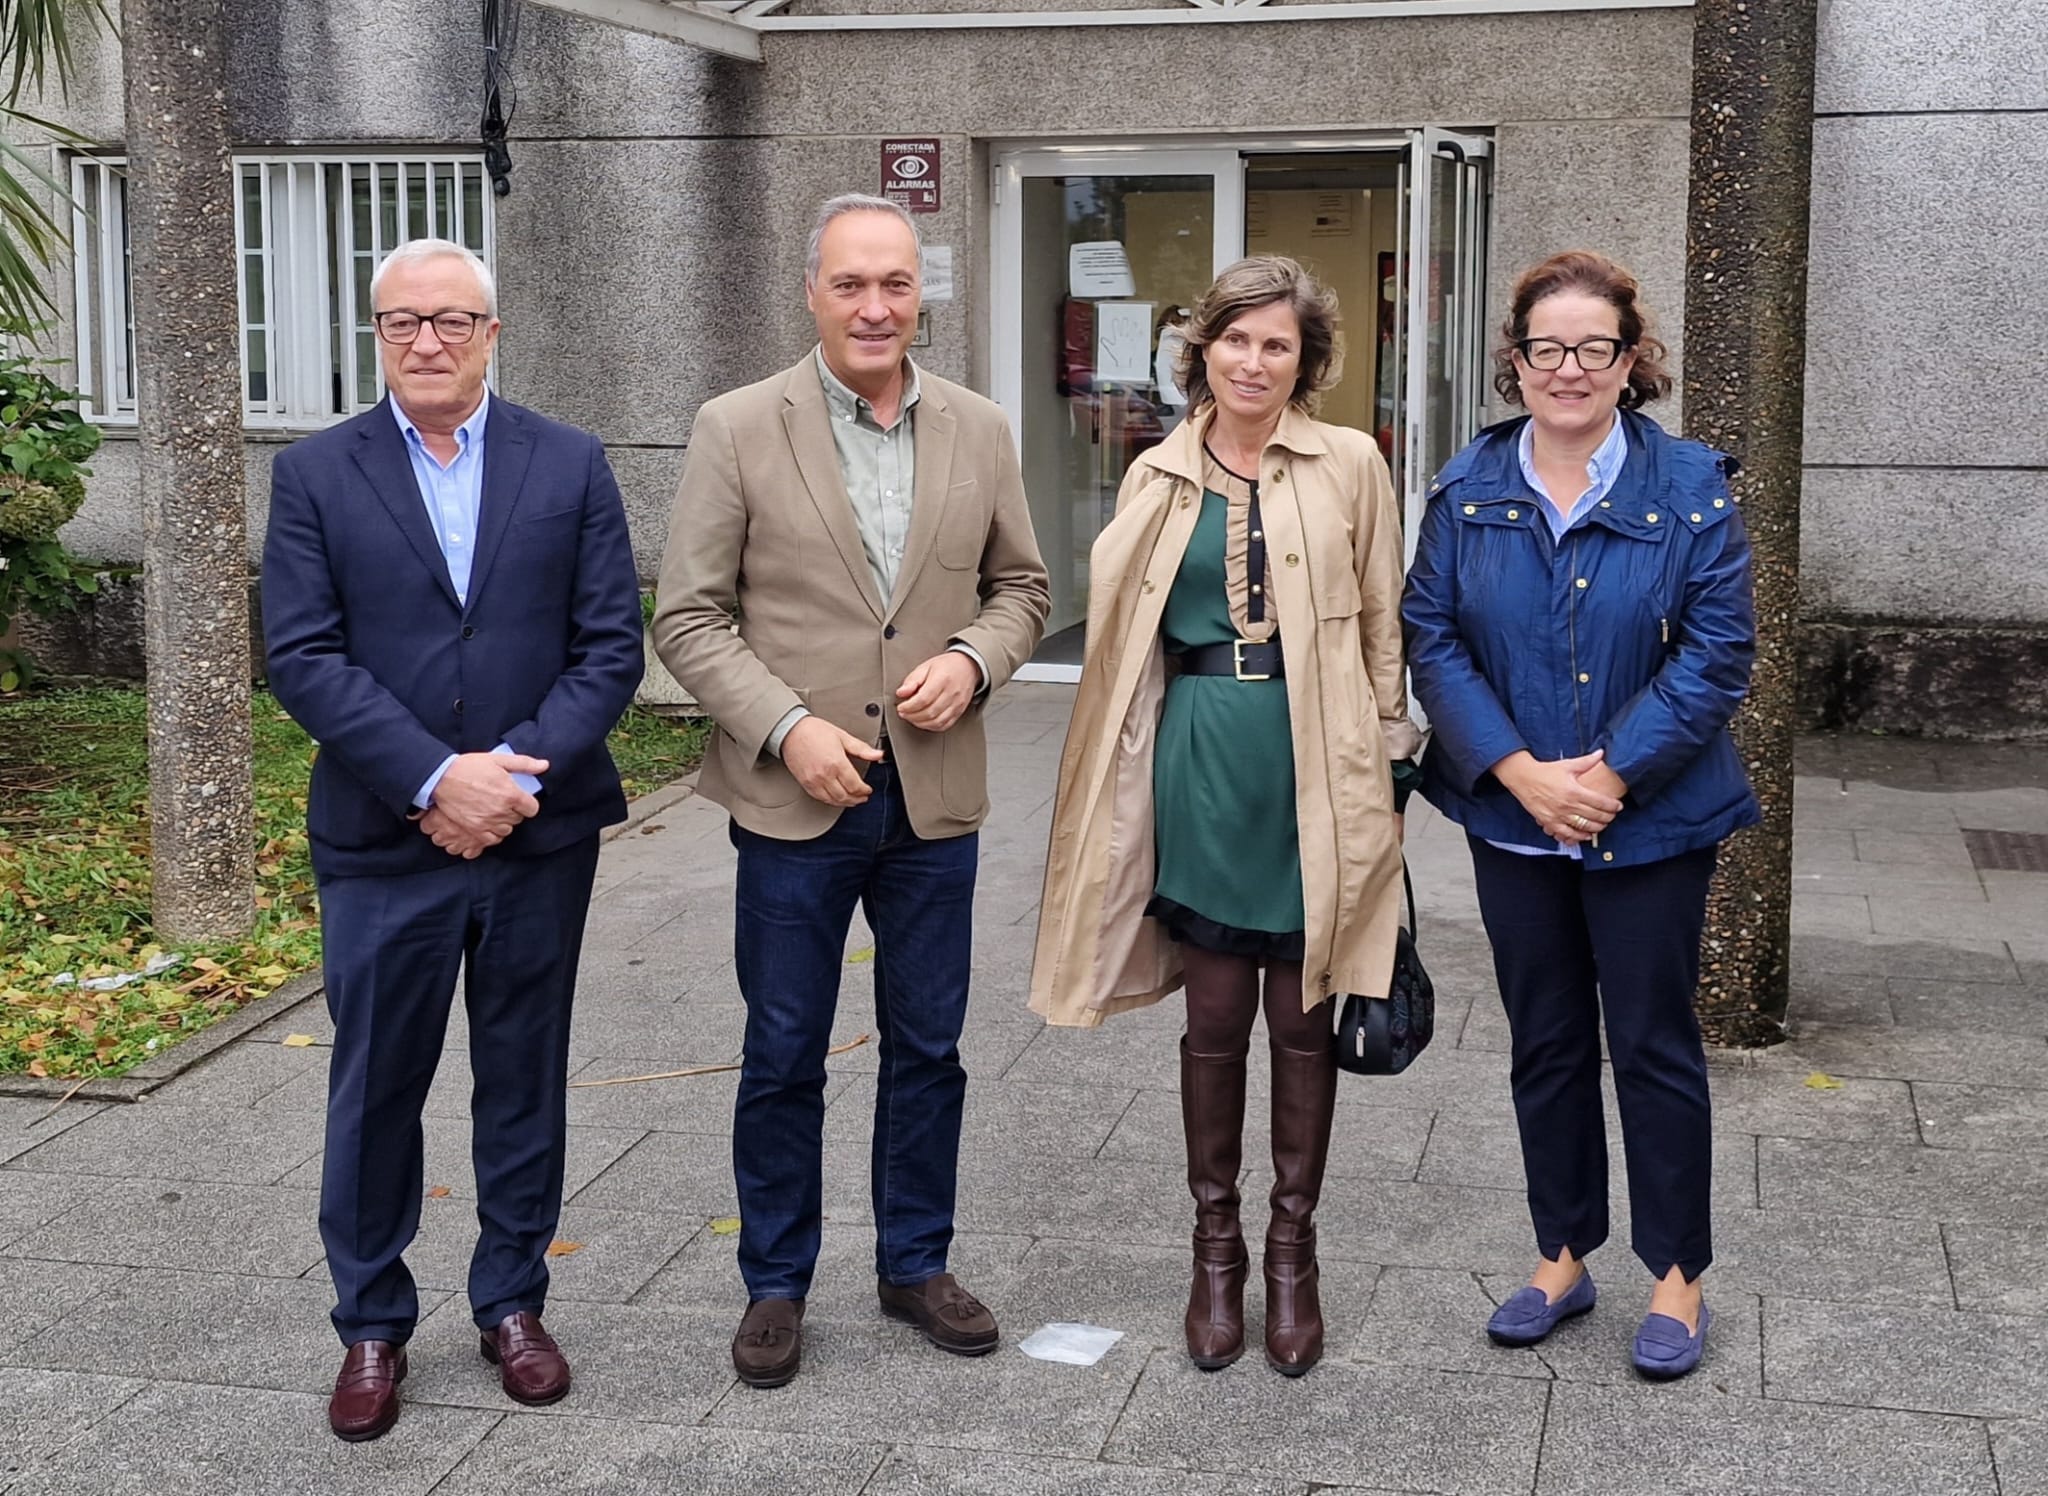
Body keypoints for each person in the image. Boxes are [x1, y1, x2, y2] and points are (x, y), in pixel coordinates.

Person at [653, 194, 1050, 1390]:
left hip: (932, 803)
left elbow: (1022, 585)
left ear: (915, 291)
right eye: (849, 284)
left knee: (928, 1044)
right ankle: (775, 1279)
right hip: (794, 803)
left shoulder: (978, 427)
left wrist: (974, 657)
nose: (874, 306)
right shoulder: (735, 425)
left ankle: (913, 1261)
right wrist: (784, 727)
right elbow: (686, 614)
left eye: (892, 283)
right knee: (783, 1048)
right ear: (811, 291)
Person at [262, 238, 644, 1440]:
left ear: (492, 331)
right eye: (400, 321)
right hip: (384, 838)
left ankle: (512, 1304)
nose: (425, 340)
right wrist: (433, 776)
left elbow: (608, 647)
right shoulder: (317, 473)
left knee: (522, 1079)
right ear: (375, 334)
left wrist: (508, 780)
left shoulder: (569, 461)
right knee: (376, 1087)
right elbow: (303, 655)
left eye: (450, 320)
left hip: (535, 835)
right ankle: (371, 1323)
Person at [1030, 256, 1419, 1376]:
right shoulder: (1154, 471)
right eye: (1233, 339)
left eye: (1276, 345)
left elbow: (1382, 629)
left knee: (1304, 1021)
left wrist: (1390, 774)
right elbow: (1120, 642)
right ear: (1200, 348)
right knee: (1212, 1018)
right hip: (1199, 753)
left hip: (1320, 757)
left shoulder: (1351, 462)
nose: (1252, 361)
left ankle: (1291, 1251)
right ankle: (1215, 1247)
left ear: (1307, 361)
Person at [1401, 250, 1759, 1381]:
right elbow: (1431, 636)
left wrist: (1606, 773)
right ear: (1514, 362)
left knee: (1650, 1043)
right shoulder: (1465, 491)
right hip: (1512, 821)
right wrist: (1515, 769)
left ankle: (1675, 1272)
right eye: (1544, 348)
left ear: (1627, 360)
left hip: (1648, 823)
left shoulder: (1690, 486)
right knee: (1544, 1041)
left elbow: (1716, 654)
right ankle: (1561, 1251)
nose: (1568, 368)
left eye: (1591, 347)